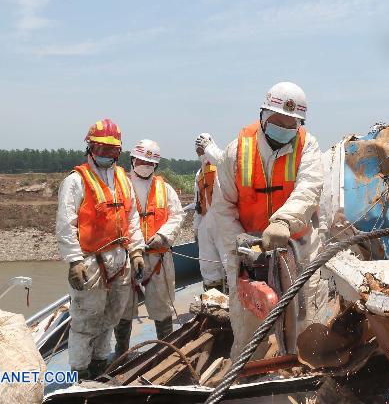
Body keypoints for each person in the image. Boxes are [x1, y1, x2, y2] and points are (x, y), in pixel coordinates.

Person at [207, 82, 325, 358]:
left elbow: (309, 188)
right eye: (277, 120)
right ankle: (247, 379)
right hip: (249, 250)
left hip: (298, 246)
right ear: (263, 115)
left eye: (290, 123)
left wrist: (284, 221)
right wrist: (241, 247)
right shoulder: (236, 152)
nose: (283, 127)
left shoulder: (308, 147)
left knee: (305, 324)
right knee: (249, 327)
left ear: (300, 123)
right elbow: (223, 207)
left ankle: (302, 381)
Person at [55, 119, 146, 380]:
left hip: (120, 259)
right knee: (85, 320)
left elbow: (132, 218)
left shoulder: (122, 179)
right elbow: (66, 223)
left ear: (119, 151)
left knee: (111, 316)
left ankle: (99, 364)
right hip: (90, 262)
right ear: (90, 147)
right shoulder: (76, 181)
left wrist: (137, 250)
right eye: (101, 149)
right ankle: (80, 372)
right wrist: (74, 261)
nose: (107, 155)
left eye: (112, 150)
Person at [113, 139, 185, 358]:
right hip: (127, 257)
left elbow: (177, 215)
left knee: (162, 306)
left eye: (150, 162)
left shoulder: (165, 189)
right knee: (123, 306)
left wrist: (163, 236)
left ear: (156, 165)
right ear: (132, 159)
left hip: (158, 258)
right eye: (142, 160)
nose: (145, 165)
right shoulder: (120, 186)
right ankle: (121, 350)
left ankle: (164, 350)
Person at [193, 133, 226, 291]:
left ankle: (235, 299)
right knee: (208, 263)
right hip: (205, 223)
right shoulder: (199, 174)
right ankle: (214, 297)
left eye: (203, 148)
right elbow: (197, 202)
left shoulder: (221, 167)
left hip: (223, 221)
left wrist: (211, 150)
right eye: (199, 150)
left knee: (229, 262)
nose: (201, 152)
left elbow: (224, 163)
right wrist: (196, 227)